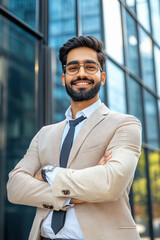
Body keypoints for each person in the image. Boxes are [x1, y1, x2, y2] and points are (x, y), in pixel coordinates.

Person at [7, 36, 142, 240]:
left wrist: (46, 172)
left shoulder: (125, 124)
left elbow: (110, 183)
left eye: (90, 67)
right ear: (63, 79)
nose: (81, 73)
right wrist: (71, 197)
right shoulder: (44, 133)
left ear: (102, 77)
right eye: (73, 68)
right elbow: (15, 187)